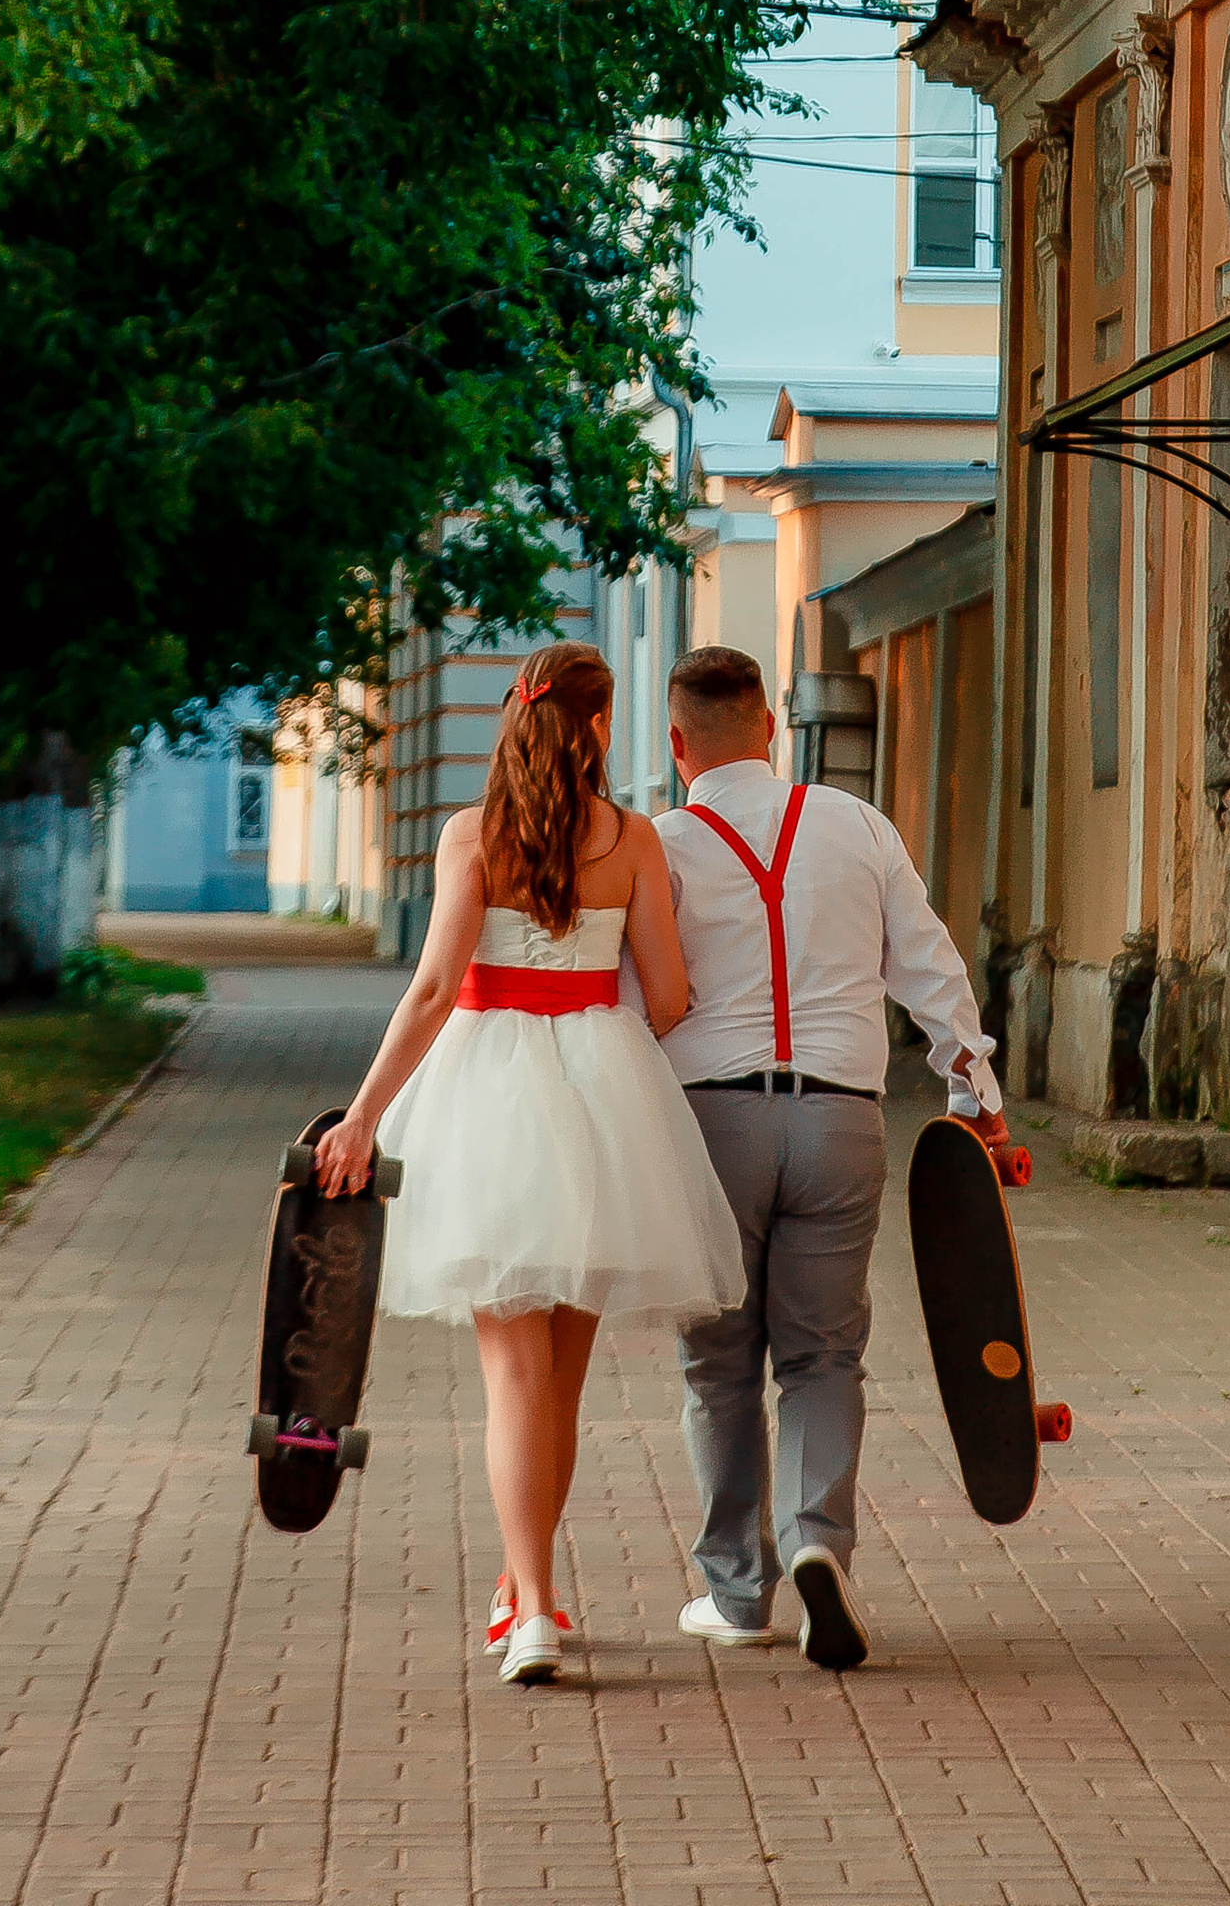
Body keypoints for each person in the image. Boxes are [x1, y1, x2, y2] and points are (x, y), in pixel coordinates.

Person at [311, 640, 744, 1688]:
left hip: (486, 1095)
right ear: (599, 728)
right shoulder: (635, 837)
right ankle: (529, 1592)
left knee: (511, 1379)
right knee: (560, 1386)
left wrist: (364, 1117)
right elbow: (672, 995)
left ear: (518, 714)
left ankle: (531, 1608)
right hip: (603, 1099)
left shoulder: (473, 835)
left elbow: (427, 994)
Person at [655, 643, 1008, 1675]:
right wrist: (971, 1097)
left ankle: (736, 1589)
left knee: (717, 1361)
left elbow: (636, 996)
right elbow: (930, 968)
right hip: (839, 1121)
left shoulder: (660, 845)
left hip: (709, 1126)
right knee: (820, 1355)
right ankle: (819, 1544)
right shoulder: (856, 826)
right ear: (770, 726)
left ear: (678, 746)